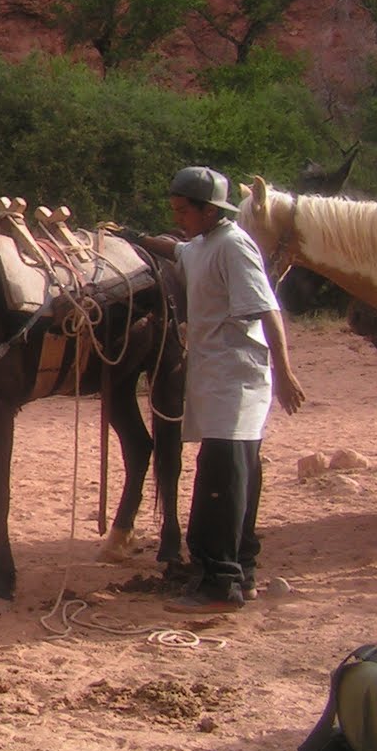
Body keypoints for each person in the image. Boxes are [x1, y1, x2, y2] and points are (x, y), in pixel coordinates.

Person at [122, 166, 305, 613]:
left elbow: (267, 310)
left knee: (222, 476)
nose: (179, 217)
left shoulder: (234, 245)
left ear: (209, 210)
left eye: (184, 211)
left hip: (237, 377)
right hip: (215, 376)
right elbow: (180, 251)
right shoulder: (203, 244)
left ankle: (220, 584)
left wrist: (284, 372)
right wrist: (137, 237)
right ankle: (242, 570)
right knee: (236, 472)